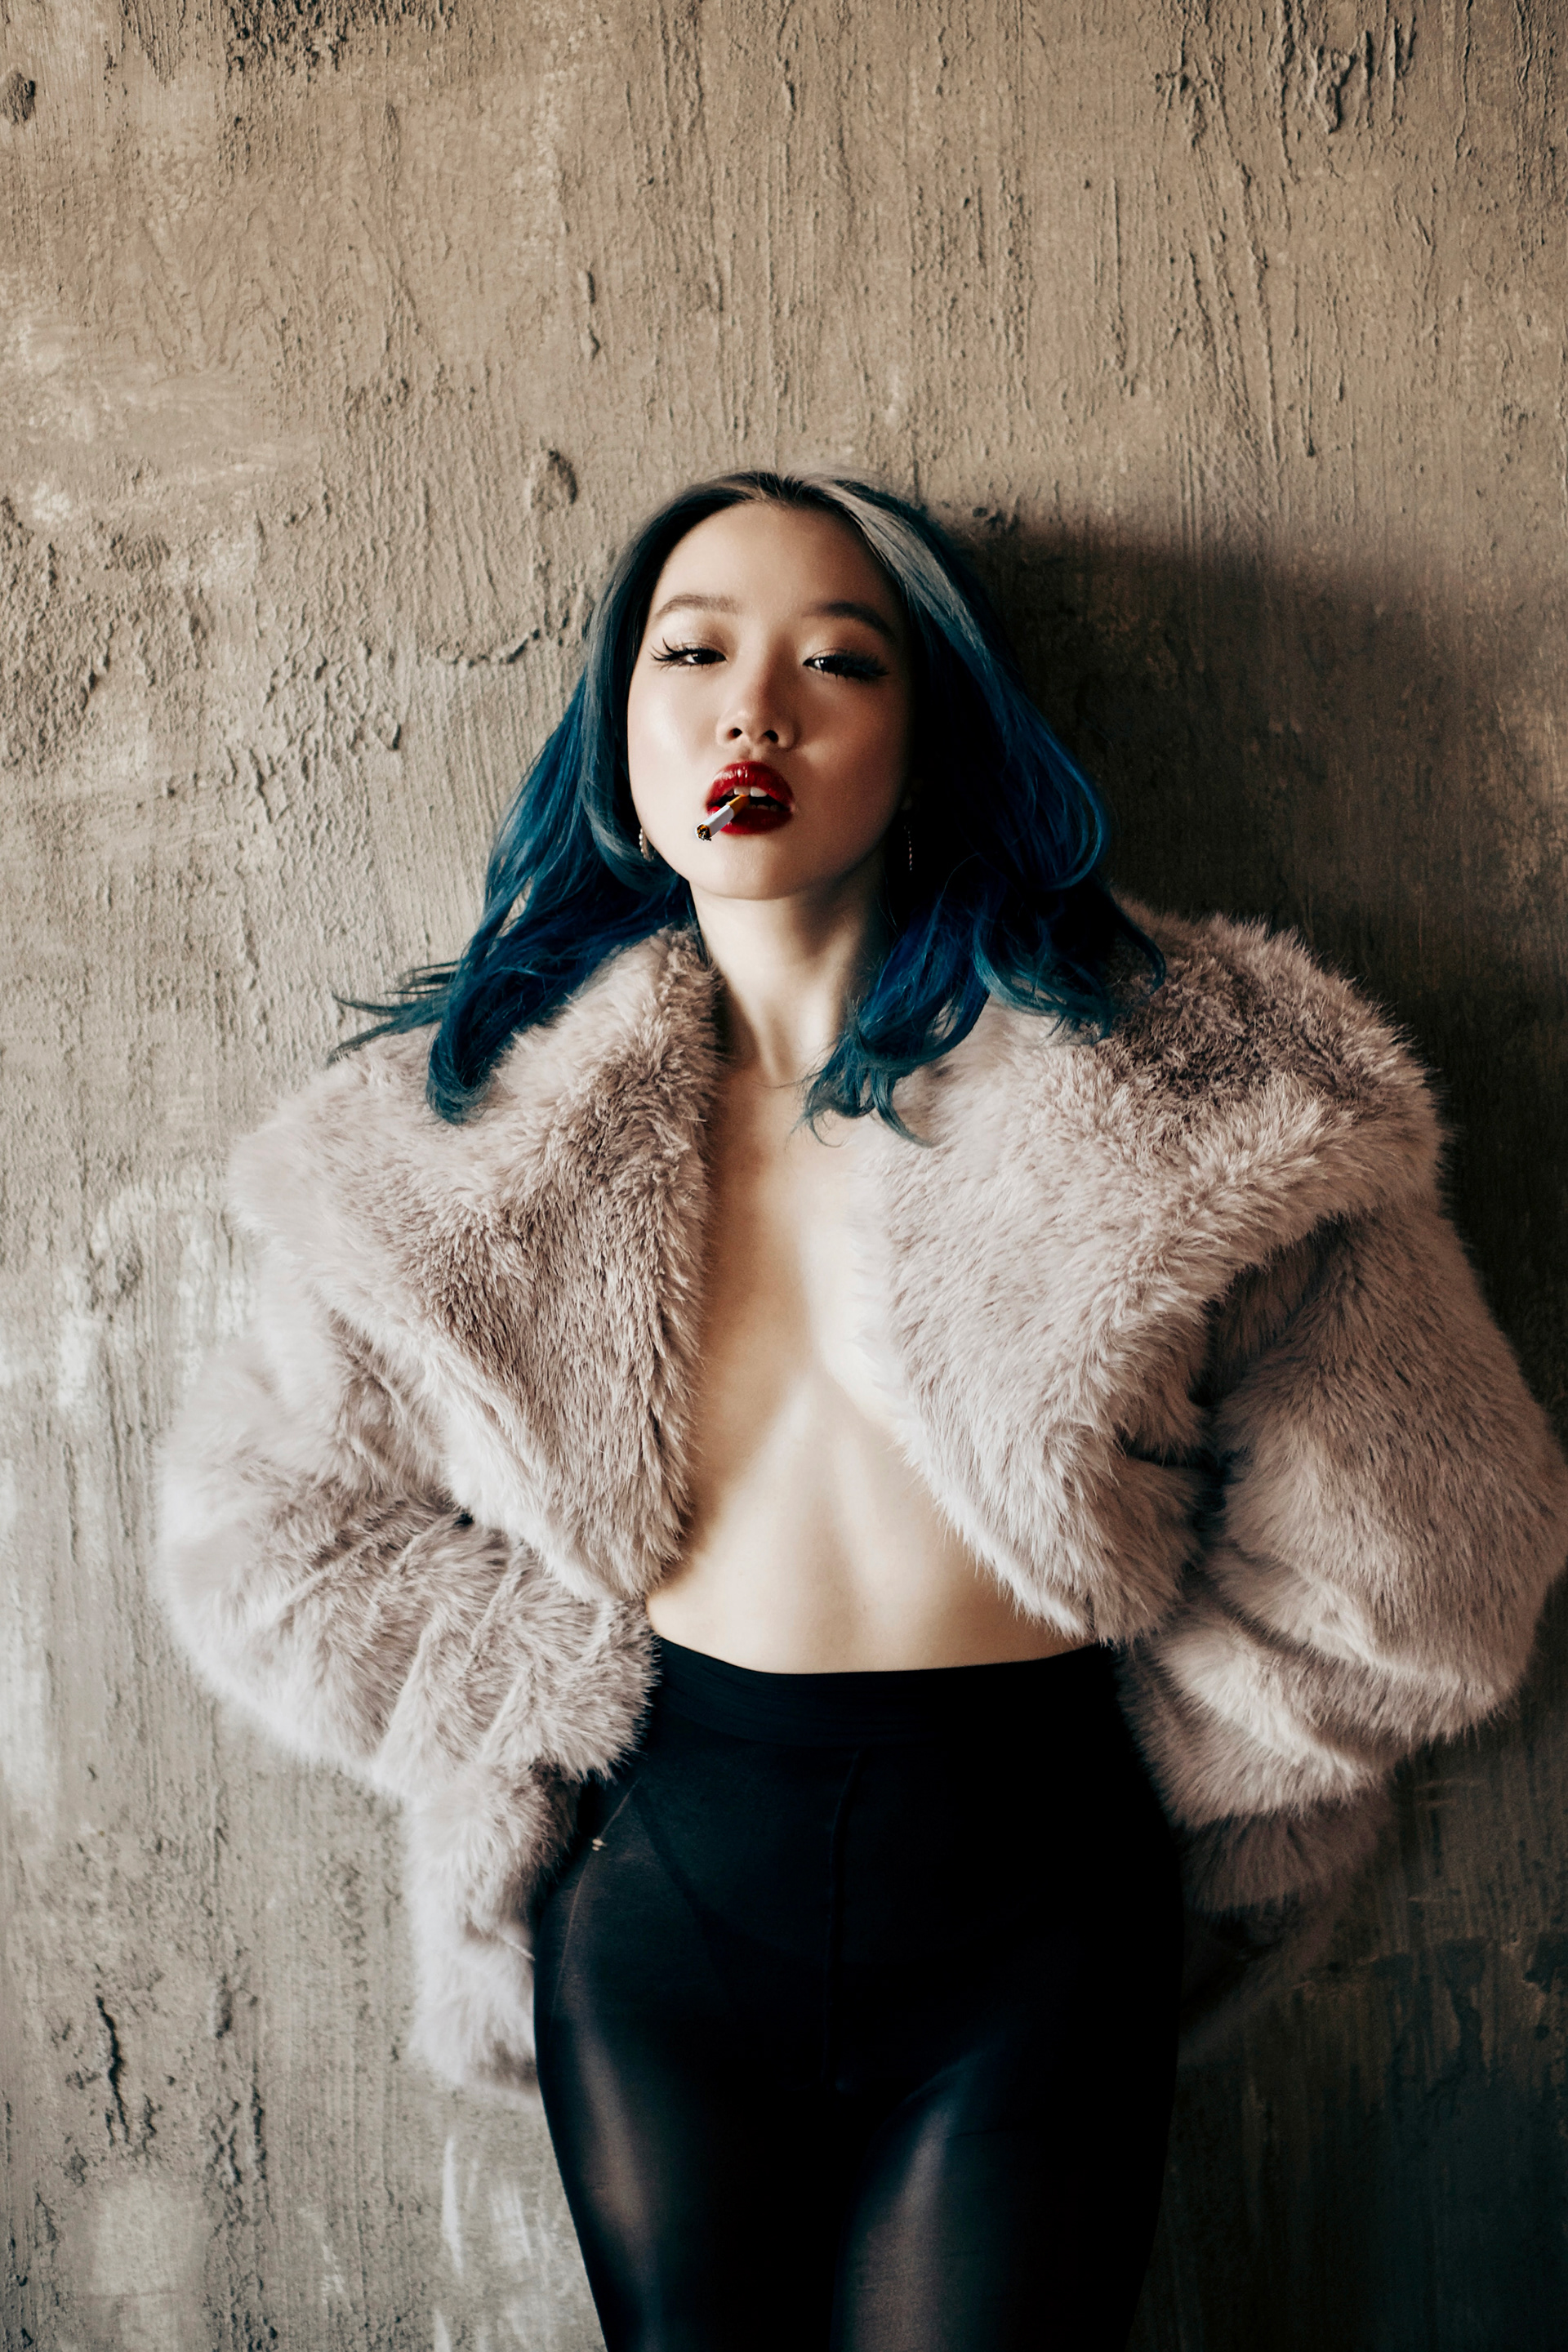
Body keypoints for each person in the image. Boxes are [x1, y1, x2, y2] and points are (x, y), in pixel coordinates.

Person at [158, 470, 1568, 2350]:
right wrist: (545, 1685)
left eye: (838, 661)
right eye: (693, 654)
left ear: (932, 736)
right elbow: (268, 1543)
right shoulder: (446, 1146)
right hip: (662, 1894)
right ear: (618, 734)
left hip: (1034, 1900)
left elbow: (1430, 1557)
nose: (755, 711)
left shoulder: (1191, 1097)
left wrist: (1173, 1756)